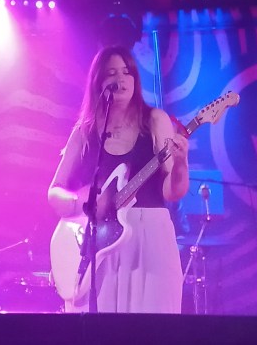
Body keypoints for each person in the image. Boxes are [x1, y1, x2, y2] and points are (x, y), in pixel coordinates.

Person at [48, 45, 189, 313]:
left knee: (154, 323)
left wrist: (181, 163)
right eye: (111, 73)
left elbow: (172, 191)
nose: (121, 79)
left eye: (127, 72)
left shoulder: (155, 120)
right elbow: (54, 192)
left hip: (149, 235)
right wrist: (84, 205)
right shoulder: (85, 132)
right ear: (98, 83)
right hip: (100, 241)